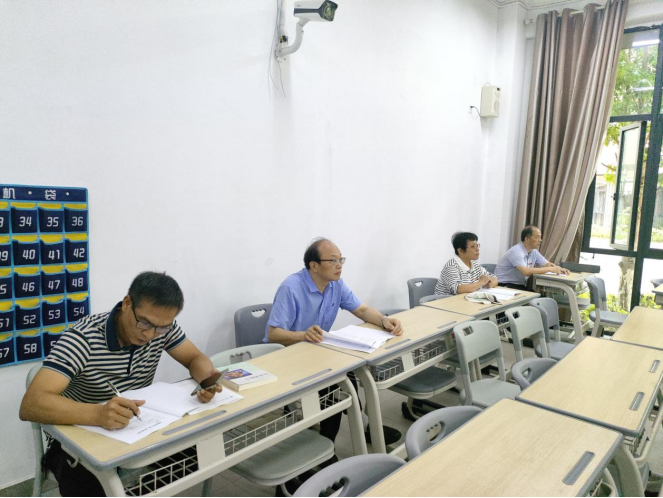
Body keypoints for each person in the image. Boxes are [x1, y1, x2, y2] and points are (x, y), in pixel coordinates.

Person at [19, 272, 223, 498]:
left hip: (136, 426)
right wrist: (98, 414)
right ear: (127, 303)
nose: (150, 334)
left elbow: (195, 358)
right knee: (89, 488)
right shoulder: (83, 338)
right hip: (76, 437)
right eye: (144, 322)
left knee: (200, 455)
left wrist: (206, 379)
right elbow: (32, 404)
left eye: (161, 328)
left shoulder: (163, 329)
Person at [266, 238, 403, 445]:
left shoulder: (335, 284)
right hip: (289, 357)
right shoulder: (291, 287)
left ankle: (359, 427)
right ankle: (326, 445)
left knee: (348, 374)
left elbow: (361, 310)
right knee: (335, 386)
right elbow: (273, 334)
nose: (339, 265)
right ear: (314, 266)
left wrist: (384, 320)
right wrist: (303, 335)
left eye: (341, 260)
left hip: (317, 353)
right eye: (333, 260)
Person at [495, 226, 569, 290]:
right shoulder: (516, 251)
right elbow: (525, 271)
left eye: (540, 237)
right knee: (539, 299)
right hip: (504, 285)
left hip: (517, 286)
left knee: (541, 298)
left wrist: (560, 269)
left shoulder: (533, 251)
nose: (540, 240)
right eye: (537, 237)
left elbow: (547, 264)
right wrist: (550, 269)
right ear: (527, 239)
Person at [434, 232, 498, 296]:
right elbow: (459, 289)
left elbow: (494, 278)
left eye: (477, 245)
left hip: (466, 300)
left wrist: (491, 283)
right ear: (460, 250)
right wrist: (481, 282)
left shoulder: (475, 265)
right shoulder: (451, 266)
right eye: (473, 246)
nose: (477, 249)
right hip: (446, 301)